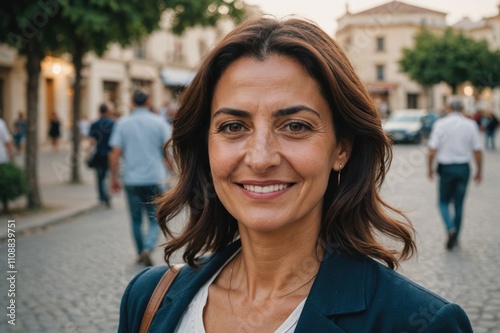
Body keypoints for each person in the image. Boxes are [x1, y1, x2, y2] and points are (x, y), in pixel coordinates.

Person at [119, 18, 472, 332]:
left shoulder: (417, 322)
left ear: (341, 149)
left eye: (296, 126)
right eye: (233, 126)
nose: (260, 158)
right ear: (205, 146)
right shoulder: (147, 298)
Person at [109, 90, 172, 267]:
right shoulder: (159, 123)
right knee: (155, 219)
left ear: (131, 101)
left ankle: (140, 252)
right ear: (149, 101)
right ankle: (148, 247)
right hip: (154, 178)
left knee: (136, 221)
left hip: (131, 179)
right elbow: (167, 152)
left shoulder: (122, 123)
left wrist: (113, 178)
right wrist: (173, 173)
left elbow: (115, 153)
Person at [427, 100, 482, 250]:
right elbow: (477, 150)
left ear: (448, 108)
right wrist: (479, 171)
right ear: (463, 108)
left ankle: (450, 228)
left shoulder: (440, 124)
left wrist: (429, 168)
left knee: (443, 202)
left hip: (446, 169)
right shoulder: (470, 125)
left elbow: (432, 149)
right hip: (464, 168)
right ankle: (456, 236)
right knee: (459, 204)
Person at [87, 102, 115, 207]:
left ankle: (102, 196)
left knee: (99, 176)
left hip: (98, 154)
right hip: (110, 154)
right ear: (108, 111)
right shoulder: (113, 123)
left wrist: (88, 153)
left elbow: (90, 140)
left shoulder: (95, 123)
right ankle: (107, 193)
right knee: (108, 175)